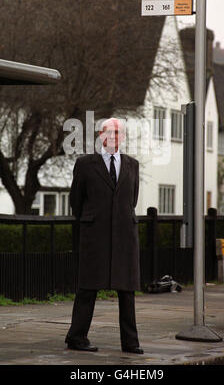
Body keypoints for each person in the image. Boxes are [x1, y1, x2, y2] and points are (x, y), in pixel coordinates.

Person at [65, 117, 143, 354]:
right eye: (108, 132)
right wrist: (91, 220)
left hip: (124, 236)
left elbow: (132, 200)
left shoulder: (132, 165)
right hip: (94, 235)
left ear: (123, 137)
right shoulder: (86, 164)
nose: (113, 137)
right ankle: (76, 338)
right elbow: (75, 201)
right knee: (87, 288)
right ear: (100, 135)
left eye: (117, 133)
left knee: (127, 291)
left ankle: (130, 343)